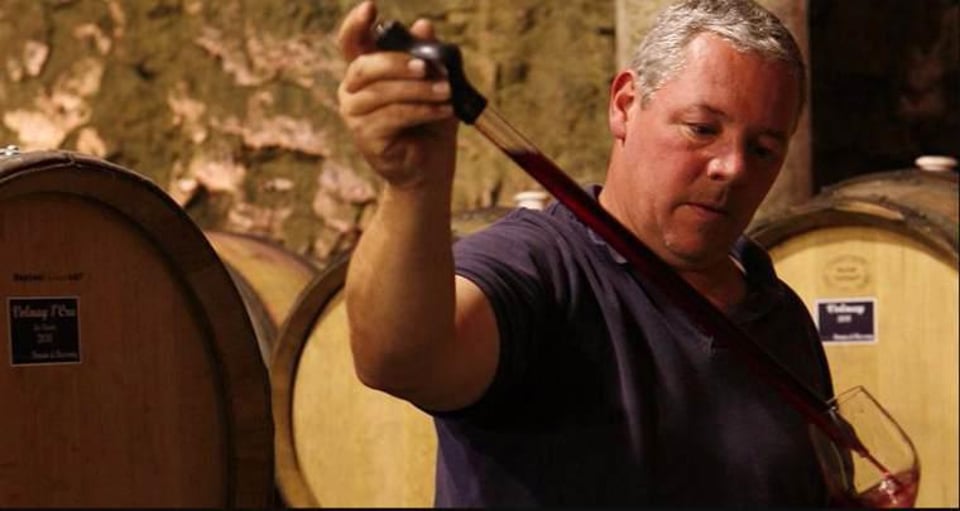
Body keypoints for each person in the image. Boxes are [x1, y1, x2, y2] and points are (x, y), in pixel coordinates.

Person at [336, 0, 834, 506]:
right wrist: (412, 188)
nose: (733, 167)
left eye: (763, 149)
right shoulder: (543, 265)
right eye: (702, 129)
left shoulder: (778, 314)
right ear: (625, 105)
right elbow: (401, 360)